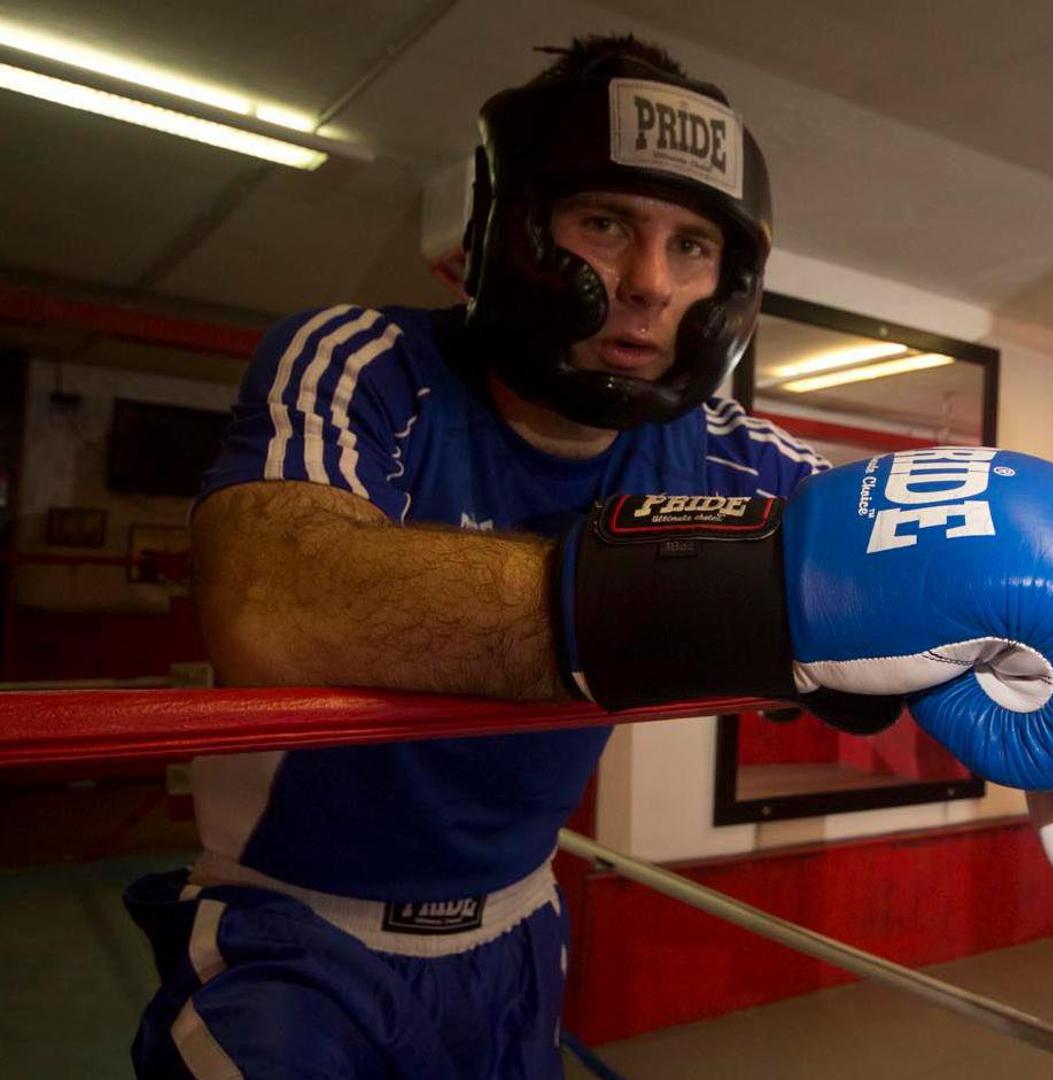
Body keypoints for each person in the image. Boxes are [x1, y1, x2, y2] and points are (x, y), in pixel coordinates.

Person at [125, 35, 823, 1079]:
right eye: (605, 223)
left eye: (691, 246)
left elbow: (937, 538)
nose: (647, 284)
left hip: (519, 928)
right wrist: (723, 599)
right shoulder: (363, 360)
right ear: (511, 227)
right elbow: (276, 601)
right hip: (294, 932)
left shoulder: (723, 447)